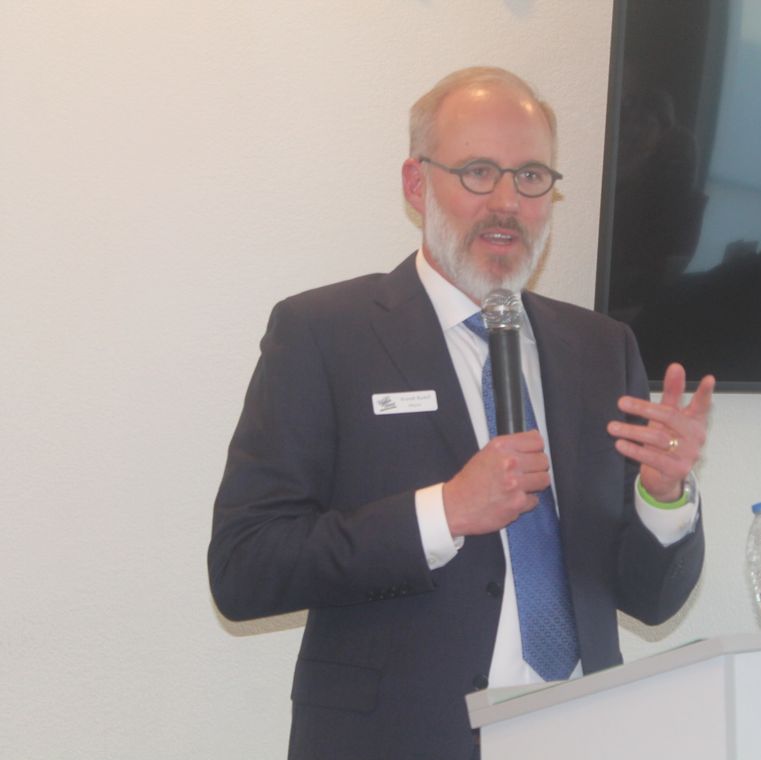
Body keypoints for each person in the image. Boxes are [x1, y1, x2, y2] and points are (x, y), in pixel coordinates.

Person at [207, 66, 716, 759]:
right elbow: (244, 569)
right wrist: (443, 511)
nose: (506, 202)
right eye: (478, 172)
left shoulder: (602, 348)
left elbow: (649, 601)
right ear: (417, 185)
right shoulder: (325, 333)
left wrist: (665, 498)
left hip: (581, 733)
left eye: (532, 176)